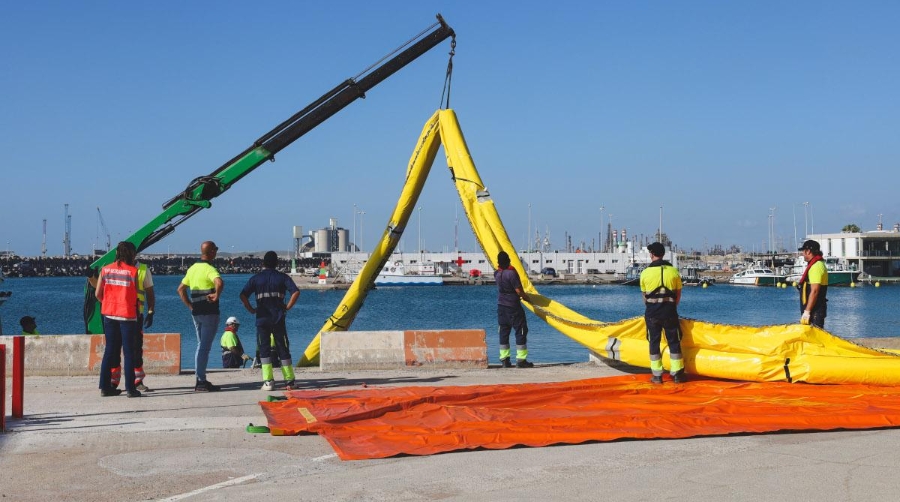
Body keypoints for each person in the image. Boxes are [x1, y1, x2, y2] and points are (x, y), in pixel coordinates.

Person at [240, 251, 300, 391]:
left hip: (262, 319)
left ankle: (268, 381)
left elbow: (243, 295)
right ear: (277, 263)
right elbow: (296, 292)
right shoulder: (282, 277)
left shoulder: (256, 279)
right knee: (282, 348)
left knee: (264, 349)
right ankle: (289, 381)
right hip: (278, 318)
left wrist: (251, 309)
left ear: (263, 263)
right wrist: (288, 306)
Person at [95, 241, 141, 398]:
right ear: (131, 254)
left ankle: (105, 387)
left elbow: (97, 294)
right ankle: (130, 388)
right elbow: (136, 294)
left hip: (109, 314)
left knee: (109, 351)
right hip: (127, 315)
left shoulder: (105, 270)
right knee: (128, 353)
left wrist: (107, 303)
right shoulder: (133, 272)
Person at [177, 241, 224, 392]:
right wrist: (217, 294)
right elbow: (219, 282)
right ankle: (201, 381)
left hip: (196, 313)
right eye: (215, 249)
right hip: (209, 313)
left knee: (200, 346)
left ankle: (200, 378)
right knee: (204, 347)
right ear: (210, 252)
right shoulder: (209, 269)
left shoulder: (192, 269)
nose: (216, 252)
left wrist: (190, 306)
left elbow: (180, 289)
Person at [109, 242, 155, 392]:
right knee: (115, 349)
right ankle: (113, 381)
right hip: (116, 314)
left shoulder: (142, 270)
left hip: (135, 316)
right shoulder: (115, 268)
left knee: (135, 349)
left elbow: (150, 293)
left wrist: (150, 312)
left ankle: (137, 381)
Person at [640, 242, 685, 384]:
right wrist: (670, 306)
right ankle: (677, 374)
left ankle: (657, 376)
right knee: (674, 342)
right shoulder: (674, 272)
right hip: (670, 312)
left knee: (654, 342)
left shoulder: (645, 273)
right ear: (663, 254)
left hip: (652, 314)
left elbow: (644, 297)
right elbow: (678, 295)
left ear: (651, 254)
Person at [494, 250, 533, 368]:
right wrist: (527, 298)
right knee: (521, 331)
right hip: (513, 306)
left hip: (501, 307)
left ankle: (505, 360)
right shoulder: (511, 274)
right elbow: (518, 291)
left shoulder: (496, 274)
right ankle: (521, 360)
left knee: (504, 332)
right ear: (508, 261)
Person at [797, 239, 828, 328]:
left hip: (815, 312)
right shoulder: (819, 264)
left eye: (803, 251)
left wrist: (807, 312)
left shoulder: (816, 267)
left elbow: (814, 291)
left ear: (808, 251)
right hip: (814, 310)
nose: (802, 254)